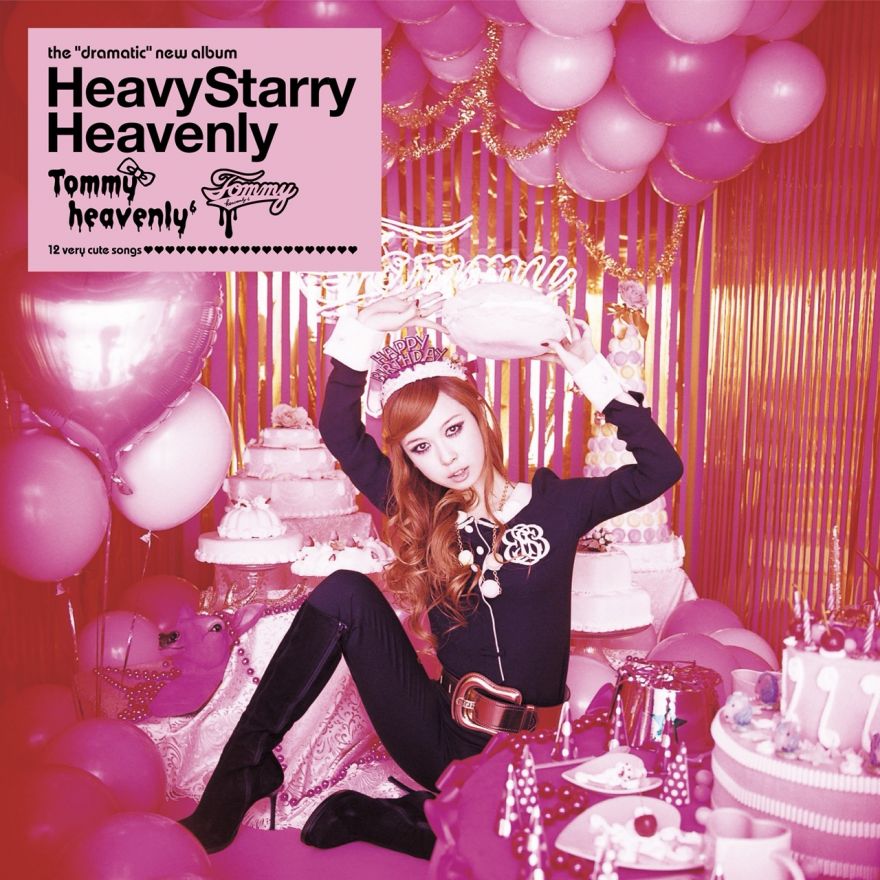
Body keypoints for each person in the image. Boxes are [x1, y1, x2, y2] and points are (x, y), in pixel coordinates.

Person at [180, 290, 683, 857]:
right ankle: (244, 770)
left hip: (530, 748)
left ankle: (384, 815)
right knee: (345, 591)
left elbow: (661, 467)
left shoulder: (560, 506)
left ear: (480, 418)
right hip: (442, 738)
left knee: (524, 847)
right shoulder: (420, 513)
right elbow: (341, 431)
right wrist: (363, 331)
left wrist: (591, 371)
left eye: (453, 429)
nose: (446, 458)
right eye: (421, 447)